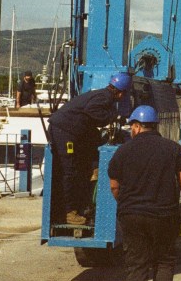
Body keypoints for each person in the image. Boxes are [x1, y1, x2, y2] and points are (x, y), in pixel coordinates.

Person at [108, 105, 181, 281]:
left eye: (132, 126)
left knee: (137, 265)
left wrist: (126, 204)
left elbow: (114, 185)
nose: (131, 130)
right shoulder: (172, 148)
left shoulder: (122, 151)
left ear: (137, 126)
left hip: (131, 215)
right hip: (164, 215)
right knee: (164, 262)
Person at [49, 71, 132, 225]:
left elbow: (91, 125)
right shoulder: (105, 98)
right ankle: (69, 212)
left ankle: (93, 173)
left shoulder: (101, 94)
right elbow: (92, 111)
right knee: (69, 170)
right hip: (64, 131)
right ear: (121, 93)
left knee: (80, 162)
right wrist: (112, 117)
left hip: (68, 129)